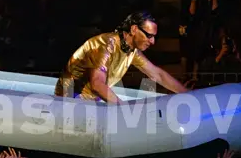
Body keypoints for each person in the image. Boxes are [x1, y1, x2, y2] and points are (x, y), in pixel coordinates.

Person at [54, 12, 186, 103]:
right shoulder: (105, 45)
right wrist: (122, 109)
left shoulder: (131, 50)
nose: (152, 42)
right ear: (134, 29)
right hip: (69, 101)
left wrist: (187, 94)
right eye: (149, 36)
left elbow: (157, 74)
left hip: (91, 101)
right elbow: (97, 84)